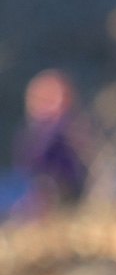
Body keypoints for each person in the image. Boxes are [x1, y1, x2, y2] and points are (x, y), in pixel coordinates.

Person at [11, 68, 92, 217]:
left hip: (62, 197)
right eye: (41, 97)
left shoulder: (68, 129)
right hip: (32, 196)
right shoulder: (32, 131)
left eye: (51, 97)